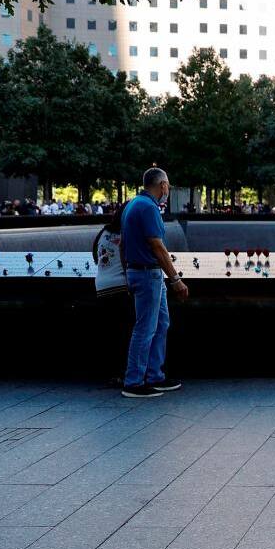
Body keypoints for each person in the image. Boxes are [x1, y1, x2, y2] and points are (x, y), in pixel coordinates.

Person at [120, 167, 186, 399]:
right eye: (168, 185)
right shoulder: (149, 208)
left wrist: (127, 272)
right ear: (162, 185)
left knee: (160, 323)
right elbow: (157, 246)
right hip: (149, 275)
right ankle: (134, 381)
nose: (168, 189)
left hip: (140, 272)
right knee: (146, 328)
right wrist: (176, 279)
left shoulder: (133, 204)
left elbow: (121, 244)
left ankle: (154, 375)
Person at [93, 203, 131, 389]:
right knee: (125, 332)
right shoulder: (127, 234)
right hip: (120, 287)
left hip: (101, 286)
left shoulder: (104, 232)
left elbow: (95, 256)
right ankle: (124, 373)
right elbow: (128, 261)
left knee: (111, 331)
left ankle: (112, 374)